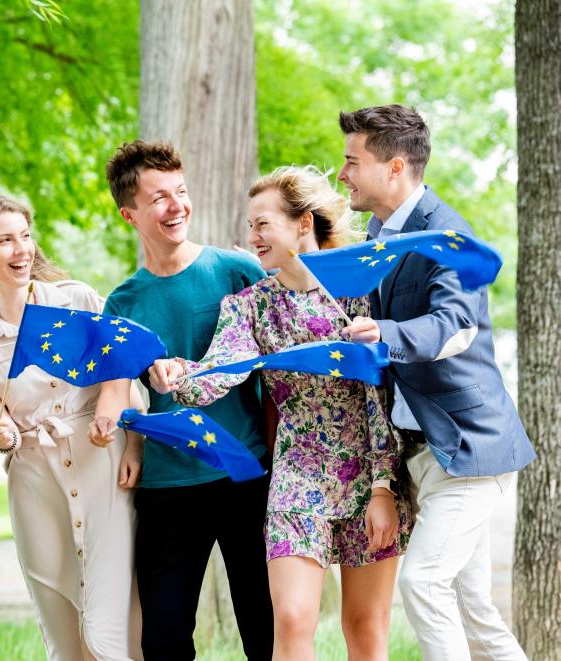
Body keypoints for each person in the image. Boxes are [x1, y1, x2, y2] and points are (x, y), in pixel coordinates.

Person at [150, 166, 412, 661]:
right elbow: (221, 369)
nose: (252, 237)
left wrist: (383, 489)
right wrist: (175, 376)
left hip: (369, 471)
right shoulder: (248, 306)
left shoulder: (358, 291)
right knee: (290, 621)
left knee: (366, 629)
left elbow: (379, 397)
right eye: (251, 226)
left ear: (303, 224)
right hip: (298, 473)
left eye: (263, 224)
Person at [337, 104, 536, 661]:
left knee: (422, 581)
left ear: (395, 167)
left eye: (352, 162)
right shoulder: (378, 232)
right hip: (423, 454)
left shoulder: (447, 234)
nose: (342, 174)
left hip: (469, 449)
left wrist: (384, 332)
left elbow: (456, 327)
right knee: (477, 613)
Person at [88, 140, 274, 661]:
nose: (177, 206)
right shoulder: (123, 302)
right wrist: (127, 441)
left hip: (245, 473)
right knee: (163, 640)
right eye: (159, 198)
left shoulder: (237, 273)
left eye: (181, 192)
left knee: (266, 629)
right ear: (130, 214)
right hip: (168, 487)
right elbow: (119, 388)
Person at [0, 194, 143, 661]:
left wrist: (127, 438)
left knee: (109, 618)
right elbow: (0, 427)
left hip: (102, 465)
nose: (22, 250)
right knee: (58, 618)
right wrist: (1, 436)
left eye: (26, 236)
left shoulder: (75, 299)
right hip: (36, 483)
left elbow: (123, 364)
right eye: (5, 241)